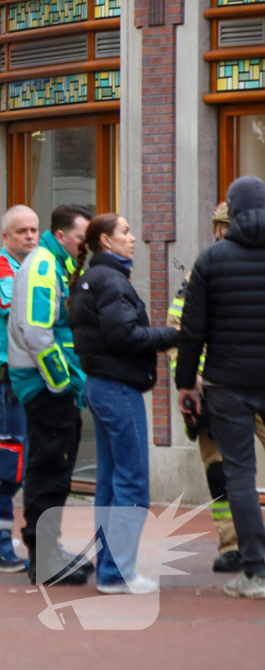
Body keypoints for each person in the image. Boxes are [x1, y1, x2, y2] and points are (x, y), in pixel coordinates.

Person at [67, 214, 178, 595]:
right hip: (118, 389)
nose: (133, 239)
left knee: (109, 486)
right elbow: (124, 335)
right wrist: (171, 334)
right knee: (132, 484)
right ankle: (117, 573)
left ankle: (111, 569)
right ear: (105, 241)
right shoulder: (112, 280)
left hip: (99, 387)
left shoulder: (91, 278)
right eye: (126, 233)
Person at [177, 176, 265, 599]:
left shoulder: (212, 260)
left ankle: (255, 571)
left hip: (227, 383)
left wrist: (184, 384)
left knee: (240, 477)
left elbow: (191, 331)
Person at [7, 204, 93, 586]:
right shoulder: (44, 267)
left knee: (54, 468)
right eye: (81, 238)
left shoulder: (52, 263)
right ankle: (44, 558)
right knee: (50, 468)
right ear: (62, 237)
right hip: (44, 386)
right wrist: (61, 383)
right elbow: (38, 331)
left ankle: (48, 551)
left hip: (45, 384)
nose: (85, 246)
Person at [0, 205, 39, 573]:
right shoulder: (3, 271)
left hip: (24, 385)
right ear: (6, 237)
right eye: (21, 231)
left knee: (24, 465)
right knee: (7, 466)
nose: (29, 237)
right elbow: (24, 315)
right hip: (7, 387)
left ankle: (12, 540)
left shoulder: (28, 271)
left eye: (33, 230)